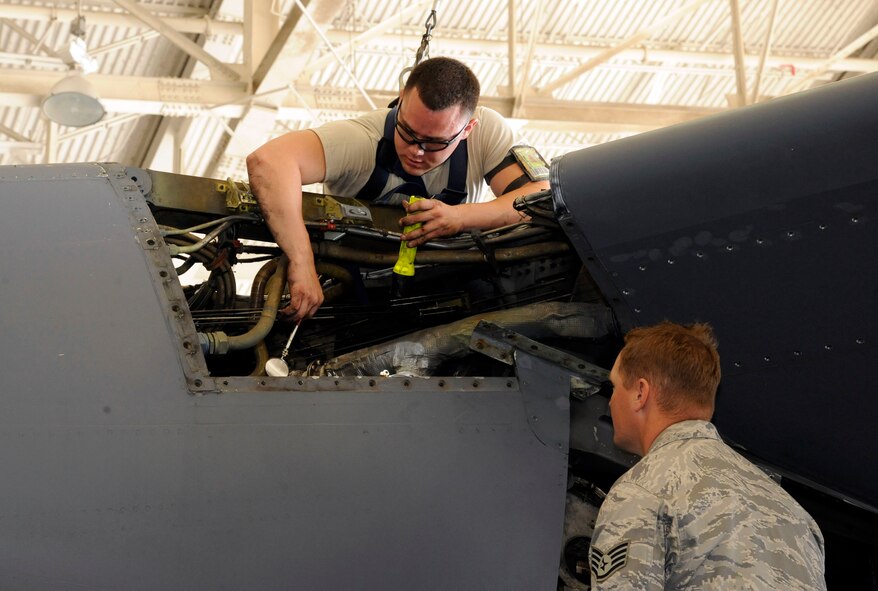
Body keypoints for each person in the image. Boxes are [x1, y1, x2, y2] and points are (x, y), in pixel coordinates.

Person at [247, 56, 549, 321]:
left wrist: (461, 217)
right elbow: (269, 161)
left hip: (447, 294)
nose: (416, 151)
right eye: (408, 132)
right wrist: (302, 264)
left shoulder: (487, 133)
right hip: (347, 299)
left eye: (434, 142)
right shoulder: (362, 140)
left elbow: (541, 195)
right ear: (402, 98)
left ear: (468, 129)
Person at [590, 321, 826, 590]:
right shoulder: (796, 517)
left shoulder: (643, 491)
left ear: (641, 393)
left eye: (615, 387)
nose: (610, 401)